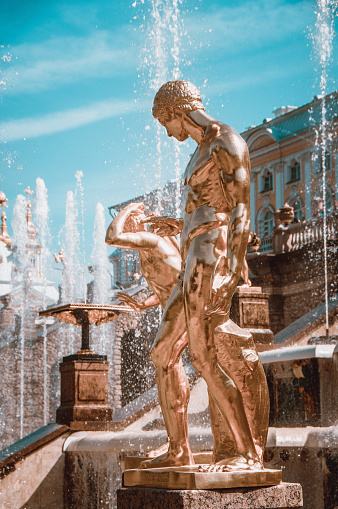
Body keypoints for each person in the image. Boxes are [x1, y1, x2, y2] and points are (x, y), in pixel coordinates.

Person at [142, 80, 269, 471]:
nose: (167, 132)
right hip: (192, 255)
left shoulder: (226, 141)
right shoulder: (200, 150)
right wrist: (173, 224)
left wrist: (232, 268)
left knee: (203, 355)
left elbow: (242, 210)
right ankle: (178, 449)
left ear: (177, 110)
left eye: (166, 122)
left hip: (210, 259)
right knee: (163, 352)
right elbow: (202, 204)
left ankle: (247, 454)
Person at [105, 201, 192, 463]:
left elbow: (112, 237)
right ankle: (175, 443)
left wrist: (126, 208)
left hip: (186, 307)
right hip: (172, 308)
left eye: (133, 219)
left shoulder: (152, 241)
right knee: (166, 368)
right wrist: (144, 303)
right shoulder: (147, 250)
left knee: (162, 359)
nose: (131, 224)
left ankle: (179, 448)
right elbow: (166, 283)